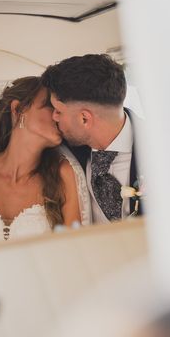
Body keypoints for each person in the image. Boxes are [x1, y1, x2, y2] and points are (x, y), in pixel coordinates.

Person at [0, 76, 81, 245]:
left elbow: (74, 250)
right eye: (50, 106)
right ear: (18, 109)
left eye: (61, 109)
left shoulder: (63, 175)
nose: (58, 116)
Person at [41, 54, 142, 224]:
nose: (54, 117)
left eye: (59, 111)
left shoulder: (165, 150)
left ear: (84, 119)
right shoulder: (64, 148)